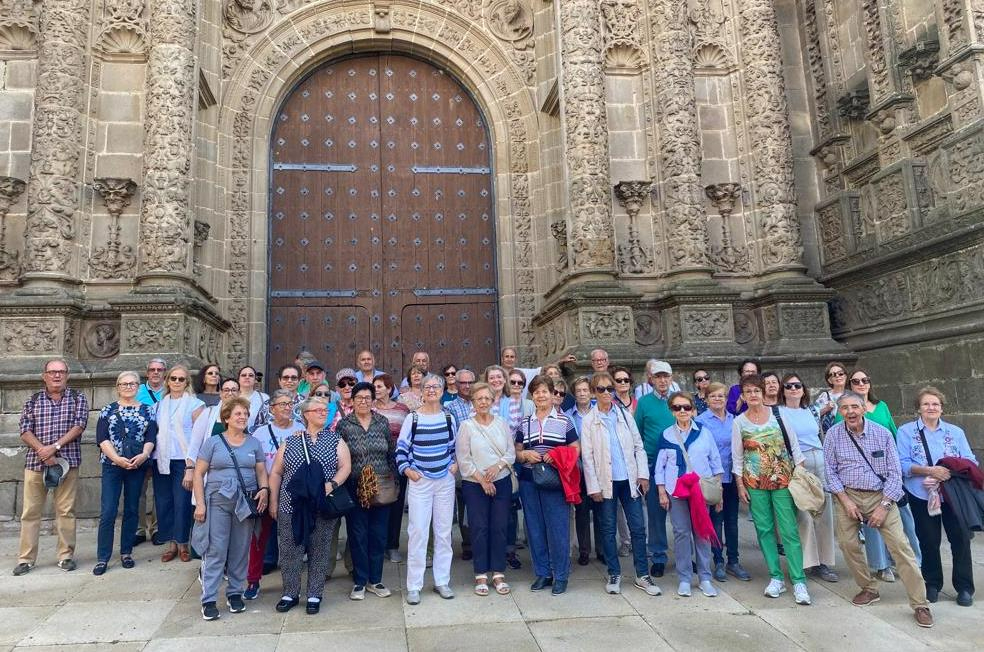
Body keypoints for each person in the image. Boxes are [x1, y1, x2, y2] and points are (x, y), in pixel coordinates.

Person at [824, 392, 933, 628]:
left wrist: (883, 507)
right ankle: (869, 588)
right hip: (848, 495)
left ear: (864, 409)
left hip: (880, 495)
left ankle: (920, 603)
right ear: (839, 412)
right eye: (845, 408)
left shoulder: (882, 434)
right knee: (848, 544)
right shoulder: (833, 435)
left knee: (901, 549)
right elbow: (830, 472)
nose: (850, 412)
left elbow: (895, 474)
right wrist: (845, 500)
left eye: (855, 407)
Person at [732, 374, 811, 605]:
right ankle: (776, 577)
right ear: (744, 396)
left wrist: (799, 476)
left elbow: (795, 449)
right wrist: (740, 486)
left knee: (789, 530)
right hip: (755, 483)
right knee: (764, 530)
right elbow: (738, 457)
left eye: (756, 390)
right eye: (748, 392)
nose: (753, 395)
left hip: (783, 481)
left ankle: (798, 580)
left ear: (762, 392)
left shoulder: (779, 414)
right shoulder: (739, 422)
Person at [269, 397, 352, 614]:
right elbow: (277, 472)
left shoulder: (335, 440)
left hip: (322, 505)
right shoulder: (291, 441)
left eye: (326, 410)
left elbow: (345, 467)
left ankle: (314, 594)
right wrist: (273, 502)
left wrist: (331, 484)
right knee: (290, 550)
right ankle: (290, 593)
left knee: (320, 550)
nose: (323, 413)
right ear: (306, 414)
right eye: (318, 410)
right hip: (291, 506)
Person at [837, 368, 921, 582]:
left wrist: (899, 467)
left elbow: (894, 434)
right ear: (851, 385)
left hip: (889, 472)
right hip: (865, 477)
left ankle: (914, 562)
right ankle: (882, 565)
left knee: (904, 520)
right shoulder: (845, 410)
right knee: (872, 524)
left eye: (865, 379)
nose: (861, 383)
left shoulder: (881, 406)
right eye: (856, 381)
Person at [898, 386, 978, 607]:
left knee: (960, 539)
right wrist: (929, 471)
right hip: (921, 494)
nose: (931, 408)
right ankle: (932, 583)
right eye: (926, 404)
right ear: (919, 408)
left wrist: (948, 473)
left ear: (942, 408)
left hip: (953, 495)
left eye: (935, 404)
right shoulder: (906, 432)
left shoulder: (955, 432)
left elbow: (971, 461)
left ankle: (964, 587)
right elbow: (902, 463)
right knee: (928, 540)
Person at [581, 372, 660, 596]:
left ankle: (642, 574)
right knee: (607, 529)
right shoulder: (589, 420)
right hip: (605, 481)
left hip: (629, 479)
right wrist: (593, 487)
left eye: (610, 388)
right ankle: (614, 573)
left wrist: (643, 475)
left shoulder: (624, 415)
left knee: (637, 527)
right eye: (601, 389)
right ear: (594, 393)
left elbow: (638, 447)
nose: (606, 393)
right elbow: (587, 456)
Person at [192, 397, 269, 620]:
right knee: (215, 550)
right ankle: (208, 599)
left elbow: (261, 471)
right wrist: (200, 503)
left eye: (245, 414)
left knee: (240, 549)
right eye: (238, 414)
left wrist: (264, 489)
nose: (243, 417)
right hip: (217, 501)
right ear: (226, 418)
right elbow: (198, 473)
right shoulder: (214, 442)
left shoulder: (254, 443)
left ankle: (235, 593)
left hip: (244, 503)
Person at [13, 359, 89, 576]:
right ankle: (26, 559)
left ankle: (65, 556)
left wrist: (55, 447)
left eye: (61, 372)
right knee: (30, 511)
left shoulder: (77, 398)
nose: (57, 376)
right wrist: (42, 451)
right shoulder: (33, 399)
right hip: (36, 464)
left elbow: (79, 425)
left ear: (67, 375)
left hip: (67, 462)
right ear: (44, 375)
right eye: (52, 372)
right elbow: (24, 429)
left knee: (66, 510)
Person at [514, 375, 580, 595]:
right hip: (529, 480)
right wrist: (524, 455)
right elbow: (517, 450)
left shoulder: (564, 421)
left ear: (553, 395)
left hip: (555, 480)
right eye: (536, 392)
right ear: (531, 397)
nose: (541, 395)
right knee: (535, 528)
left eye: (545, 391)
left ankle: (561, 575)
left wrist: (557, 454)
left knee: (558, 528)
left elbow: (575, 449)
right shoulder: (525, 422)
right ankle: (543, 573)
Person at [396, 373, 458, 604]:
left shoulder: (449, 418)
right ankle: (414, 585)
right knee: (418, 532)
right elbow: (401, 449)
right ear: (421, 391)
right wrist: (409, 471)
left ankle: (442, 580)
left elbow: (454, 447)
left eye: (436, 386)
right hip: (420, 481)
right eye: (427, 387)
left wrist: (454, 465)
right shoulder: (412, 419)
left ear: (442, 391)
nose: (432, 390)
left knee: (443, 532)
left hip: (444, 481)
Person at [654, 391, 722, 597]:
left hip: (700, 491)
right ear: (671, 411)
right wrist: (661, 492)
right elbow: (660, 467)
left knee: (702, 533)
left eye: (686, 407)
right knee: (681, 533)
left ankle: (705, 577)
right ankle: (684, 577)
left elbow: (715, 461)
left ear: (693, 409)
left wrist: (719, 492)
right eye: (677, 407)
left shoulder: (704, 432)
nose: (682, 411)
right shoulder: (666, 435)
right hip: (677, 492)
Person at [336, 382, 397, 601]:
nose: (363, 401)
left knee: (378, 534)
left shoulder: (382, 422)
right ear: (351, 401)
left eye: (367, 397)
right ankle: (360, 581)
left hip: (381, 485)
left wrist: (394, 480)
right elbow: (339, 457)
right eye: (359, 397)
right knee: (358, 534)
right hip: (354, 486)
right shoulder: (344, 425)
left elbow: (391, 453)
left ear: (373, 400)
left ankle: (375, 579)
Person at [93, 371, 157, 575]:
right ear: (117, 386)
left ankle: (126, 552)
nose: (129, 387)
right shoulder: (107, 410)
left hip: (136, 465)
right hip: (113, 465)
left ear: (138, 387)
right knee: (108, 511)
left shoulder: (148, 410)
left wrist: (144, 455)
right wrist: (117, 459)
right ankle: (103, 556)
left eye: (133, 384)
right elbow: (102, 438)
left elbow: (151, 436)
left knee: (131, 509)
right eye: (124, 384)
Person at [456, 382, 516, 596]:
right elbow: (463, 459)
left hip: (501, 481)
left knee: (499, 526)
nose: (483, 402)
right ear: (473, 402)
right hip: (475, 484)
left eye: (487, 398)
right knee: (479, 527)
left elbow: (510, 453)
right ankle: (481, 573)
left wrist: (497, 467)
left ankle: (498, 572)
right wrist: (482, 479)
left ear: (493, 401)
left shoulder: (501, 423)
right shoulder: (466, 426)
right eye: (479, 398)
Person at [779, 373, 838, 583]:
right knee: (803, 514)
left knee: (824, 512)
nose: (793, 389)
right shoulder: (779, 413)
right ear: (783, 390)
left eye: (797, 385)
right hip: (799, 464)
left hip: (819, 459)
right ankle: (806, 561)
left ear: (803, 389)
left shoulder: (811, 411)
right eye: (789, 386)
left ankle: (825, 562)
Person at [244, 389, 303, 600]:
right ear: (272, 409)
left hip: (294, 492)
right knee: (258, 538)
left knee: (291, 539)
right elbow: (255, 464)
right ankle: (253, 580)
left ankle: (292, 583)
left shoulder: (301, 430)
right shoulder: (259, 433)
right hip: (265, 490)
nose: (287, 408)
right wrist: (264, 490)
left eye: (290, 404)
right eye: (282, 404)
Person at [696, 382, 749, 582]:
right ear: (707, 399)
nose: (718, 399)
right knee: (716, 520)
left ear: (727, 399)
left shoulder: (734, 420)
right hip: (713, 479)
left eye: (722, 396)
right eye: (714, 396)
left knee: (732, 521)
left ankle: (733, 561)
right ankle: (718, 560)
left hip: (732, 477)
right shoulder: (701, 421)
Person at [154, 363, 205, 564]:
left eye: (181, 379)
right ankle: (171, 544)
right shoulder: (159, 405)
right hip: (162, 459)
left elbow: (199, 436)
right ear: (167, 381)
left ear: (187, 382)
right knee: (164, 502)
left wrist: (191, 467)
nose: (176, 382)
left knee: (182, 502)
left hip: (184, 461)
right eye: (173, 378)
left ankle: (183, 543)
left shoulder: (195, 405)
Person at [634, 359, 676, 577]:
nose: (662, 380)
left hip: (677, 466)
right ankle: (658, 555)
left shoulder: (678, 401)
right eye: (658, 376)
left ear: (671, 378)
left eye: (665, 376)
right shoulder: (644, 403)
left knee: (681, 514)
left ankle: (685, 555)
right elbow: (638, 435)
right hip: (653, 464)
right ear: (651, 379)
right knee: (656, 513)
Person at [374, 373, 412, 562]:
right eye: (375, 387)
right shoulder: (370, 409)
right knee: (378, 504)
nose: (377, 390)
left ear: (389, 389)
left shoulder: (402, 409)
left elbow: (409, 435)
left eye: (380, 386)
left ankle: (392, 545)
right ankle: (377, 546)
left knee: (396, 504)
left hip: (397, 462)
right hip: (376, 463)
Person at [567, 376, 602, 566]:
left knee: (601, 509)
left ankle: (603, 549)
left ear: (591, 392)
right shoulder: (569, 415)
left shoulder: (600, 412)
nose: (582, 394)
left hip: (599, 466)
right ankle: (584, 550)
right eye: (578, 391)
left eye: (585, 390)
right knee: (581, 511)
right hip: (579, 467)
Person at [135, 358, 165, 545]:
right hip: (140, 446)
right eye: (152, 369)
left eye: (159, 370)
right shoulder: (138, 391)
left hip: (162, 446)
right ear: (147, 372)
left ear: (164, 372)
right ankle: (138, 529)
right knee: (139, 489)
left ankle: (156, 528)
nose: (155, 373)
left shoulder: (169, 392)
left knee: (159, 490)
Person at [187, 378, 240, 464]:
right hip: (212, 469)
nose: (230, 393)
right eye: (226, 390)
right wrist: (190, 467)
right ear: (220, 393)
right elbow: (194, 444)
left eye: (234, 390)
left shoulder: (245, 414)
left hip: (238, 466)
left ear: (239, 393)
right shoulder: (208, 413)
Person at [814, 361, 848, 434]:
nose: (837, 376)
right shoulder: (825, 396)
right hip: (831, 436)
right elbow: (813, 415)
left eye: (840, 373)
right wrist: (826, 409)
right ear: (829, 380)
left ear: (845, 376)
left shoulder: (853, 395)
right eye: (833, 375)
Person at [238, 365, 270, 430]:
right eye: (244, 375)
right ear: (238, 379)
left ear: (255, 380)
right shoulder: (232, 397)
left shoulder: (264, 398)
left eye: (251, 375)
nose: (247, 377)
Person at [503, 368, 534, 433]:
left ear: (523, 385)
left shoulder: (530, 404)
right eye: (512, 382)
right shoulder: (501, 403)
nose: (516, 385)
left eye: (520, 383)